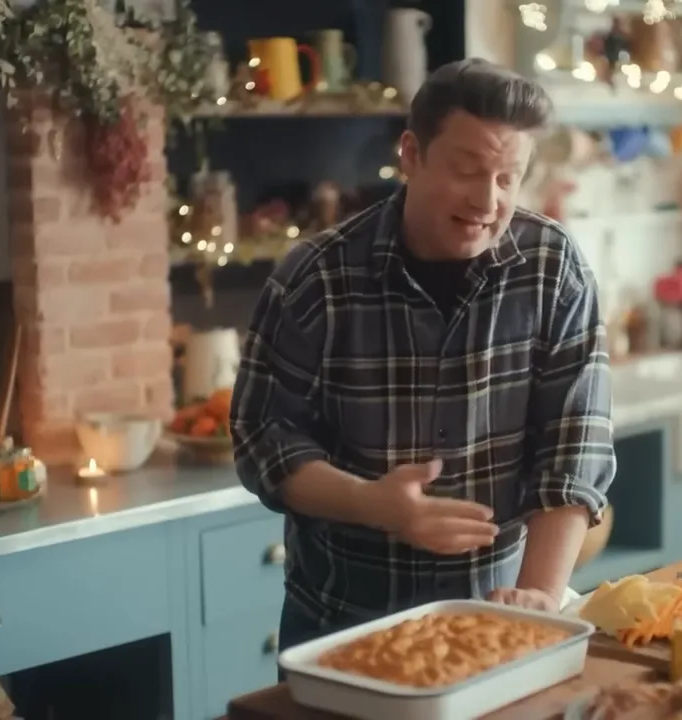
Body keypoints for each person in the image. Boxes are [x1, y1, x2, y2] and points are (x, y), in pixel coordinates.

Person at [230, 58, 616, 657]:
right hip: (343, 627)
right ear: (410, 154)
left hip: (500, 620)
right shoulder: (316, 277)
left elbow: (575, 446)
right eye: (468, 170)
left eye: (508, 178)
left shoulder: (553, 269)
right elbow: (262, 439)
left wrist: (540, 596)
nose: (488, 200)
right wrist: (373, 504)